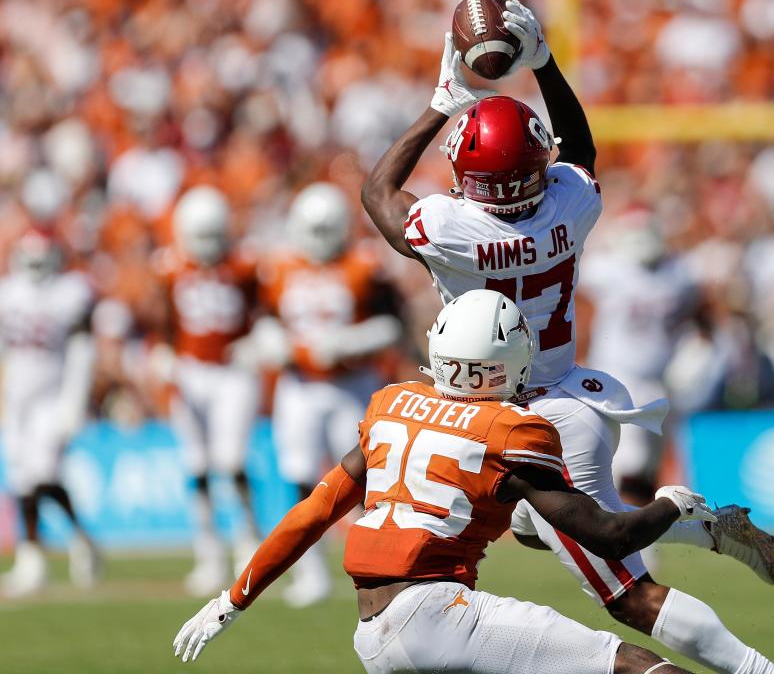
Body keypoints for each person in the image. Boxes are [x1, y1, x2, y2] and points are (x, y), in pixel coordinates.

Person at [359, 0, 774, 674]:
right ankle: (697, 526)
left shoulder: (451, 229)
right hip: (564, 393)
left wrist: (445, 99)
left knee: (628, 595)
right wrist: (546, 63)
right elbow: (580, 150)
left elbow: (379, 192)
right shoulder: (570, 203)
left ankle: (761, 668)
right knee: (537, 524)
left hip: (520, 419)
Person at [173, 289, 712, 673]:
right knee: (636, 667)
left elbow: (314, 512)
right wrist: (671, 504)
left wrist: (231, 600)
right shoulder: (512, 428)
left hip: (370, 635)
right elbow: (609, 537)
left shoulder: (390, 405)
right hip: (437, 616)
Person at [253, 181, 402, 607]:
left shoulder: (364, 265)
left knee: (370, 480)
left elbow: (392, 326)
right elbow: (263, 319)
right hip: (299, 385)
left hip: (351, 384)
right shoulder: (280, 267)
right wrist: (271, 342)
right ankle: (310, 571)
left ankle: (382, 566)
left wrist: (348, 343)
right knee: (300, 478)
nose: (318, 241)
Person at [150, 186, 261, 595]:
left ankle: (248, 541)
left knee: (230, 461)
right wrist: (160, 352)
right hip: (191, 371)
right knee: (196, 465)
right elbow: (159, 320)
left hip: (232, 372)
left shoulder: (244, 263)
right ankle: (208, 552)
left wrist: (257, 340)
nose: (208, 247)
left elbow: (264, 312)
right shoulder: (169, 267)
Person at [0, 229, 100, 597]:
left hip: (51, 396)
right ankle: (48, 552)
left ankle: (51, 551)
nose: (36, 270)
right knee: (22, 478)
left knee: (42, 474)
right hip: (17, 399)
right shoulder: (8, 293)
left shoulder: (69, 292)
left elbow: (82, 349)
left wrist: (74, 401)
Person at [581, 207, 701, 505]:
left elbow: (694, 313)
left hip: (660, 378)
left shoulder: (677, 273)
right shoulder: (610, 269)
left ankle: (638, 535)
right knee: (629, 462)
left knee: (649, 465)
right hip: (619, 376)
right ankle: (619, 532)